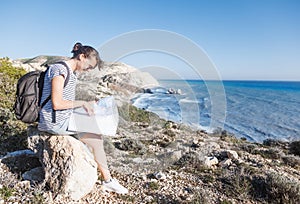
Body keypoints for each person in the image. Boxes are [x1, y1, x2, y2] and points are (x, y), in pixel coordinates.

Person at [38, 42, 128, 194]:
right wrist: (82, 103)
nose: (88, 70)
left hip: (63, 117)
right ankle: (108, 181)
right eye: (89, 66)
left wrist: (88, 105)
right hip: (55, 121)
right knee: (97, 139)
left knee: (95, 129)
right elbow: (57, 103)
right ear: (82, 56)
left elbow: (66, 103)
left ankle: (106, 178)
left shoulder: (71, 72)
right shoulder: (59, 70)